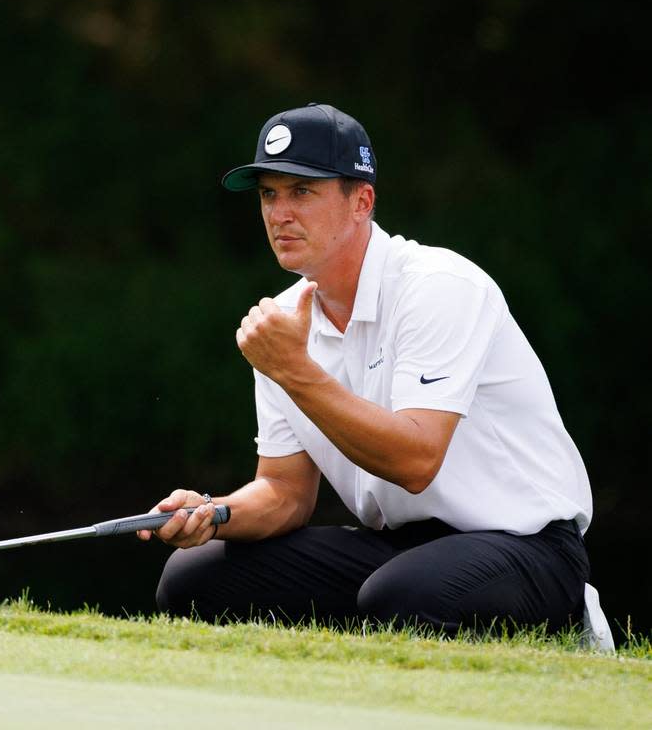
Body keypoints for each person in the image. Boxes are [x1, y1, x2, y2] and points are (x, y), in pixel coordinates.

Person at [137, 103, 594, 634]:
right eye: (268, 193)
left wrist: (295, 371)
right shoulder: (283, 322)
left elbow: (416, 460)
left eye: (301, 191)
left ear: (362, 201)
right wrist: (214, 515)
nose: (279, 213)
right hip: (403, 547)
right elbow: (285, 493)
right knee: (194, 578)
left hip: (527, 545)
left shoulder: (439, 285)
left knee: (400, 594)